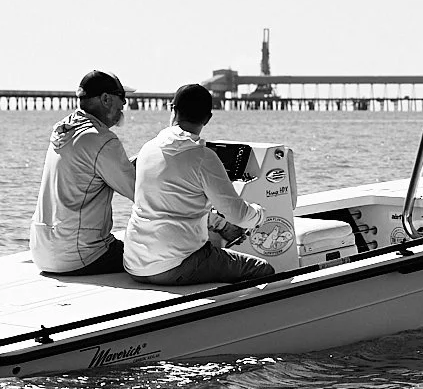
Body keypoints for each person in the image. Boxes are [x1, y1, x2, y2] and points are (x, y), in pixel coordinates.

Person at [124, 84, 275, 286]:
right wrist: (259, 214)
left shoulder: (147, 149)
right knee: (263, 269)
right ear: (208, 118)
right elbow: (238, 215)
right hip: (177, 266)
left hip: (134, 264)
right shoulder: (202, 157)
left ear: (173, 109)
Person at [29, 70, 135, 275]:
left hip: (41, 251)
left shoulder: (65, 130)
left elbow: (89, 172)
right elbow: (139, 192)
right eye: (122, 98)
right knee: (158, 255)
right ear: (106, 99)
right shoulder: (102, 140)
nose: (124, 105)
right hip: (81, 256)